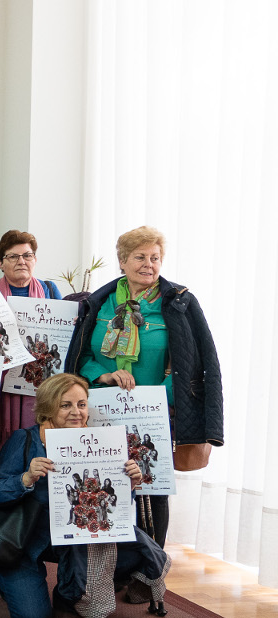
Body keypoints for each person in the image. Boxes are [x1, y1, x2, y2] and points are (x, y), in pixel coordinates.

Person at [65, 226, 224, 546]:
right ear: (122, 261)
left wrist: (159, 396)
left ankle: (148, 571)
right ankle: (113, 564)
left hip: (155, 411)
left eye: (155, 258)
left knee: (152, 490)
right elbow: (80, 357)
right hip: (102, 408)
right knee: (106, 485)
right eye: (140, 257)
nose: (148, 264)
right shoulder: (101, 302)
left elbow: (193, 361)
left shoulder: (179, 303)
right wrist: (104, 376)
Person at [0, 374, 171, 618]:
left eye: (82, 404)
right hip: (26, 541)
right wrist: (26, 478)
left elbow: (113, 505)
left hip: (74, 540)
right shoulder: (26, 439)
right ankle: (11, 581)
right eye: (66, 405)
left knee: (135, 550)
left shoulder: (101, 443)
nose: (76, 413)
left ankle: (68, 593)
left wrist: (128, 484)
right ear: (48, 407)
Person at [0, 230, 64, 452]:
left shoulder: (50, 290)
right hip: (0, 383)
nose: (21, 261)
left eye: (27, 255)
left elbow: (62, 334)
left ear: (35, 260)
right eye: (13, 256)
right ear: (1, 263)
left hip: (39, 381)